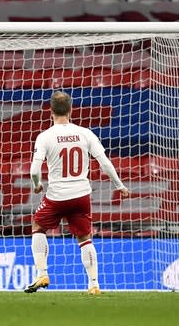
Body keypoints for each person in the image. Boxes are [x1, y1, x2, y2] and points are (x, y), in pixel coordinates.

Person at [24, 91, 130, 295]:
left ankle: (42, 272)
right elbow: (105, 163)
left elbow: (34, 170)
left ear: (51, 111)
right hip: (81, 195)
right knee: (84, 238)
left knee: (38, 225)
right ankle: (93, 284)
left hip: (57, 196)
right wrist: (120, 186)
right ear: (71, 110)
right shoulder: (85, 133)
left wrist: (37, 184)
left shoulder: (45, 136)